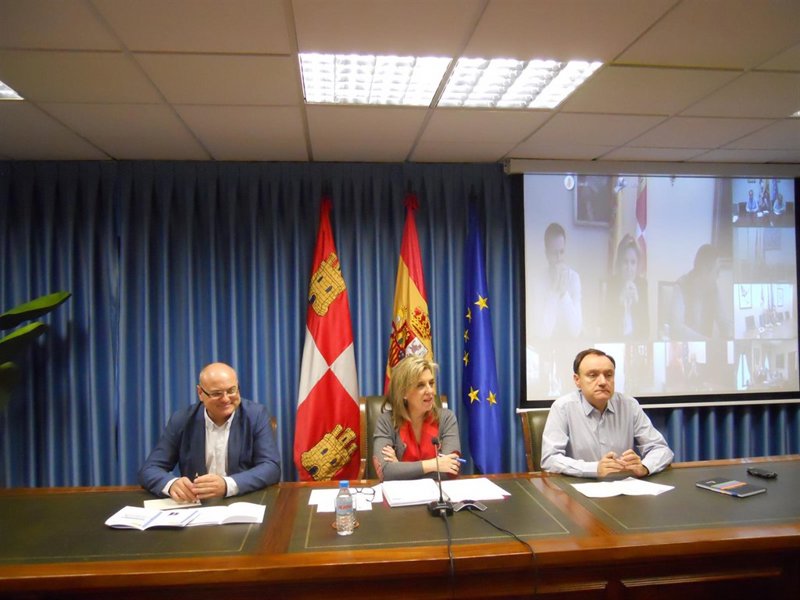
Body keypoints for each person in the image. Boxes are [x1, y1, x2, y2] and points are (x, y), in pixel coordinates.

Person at [138, 362, 280, 501]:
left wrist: (227, 485)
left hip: (242, 502)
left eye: (231, 390)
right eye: (217, 393)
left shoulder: (255, 415)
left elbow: (271, 467)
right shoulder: (182, 420)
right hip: (196, 504)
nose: (226, 399)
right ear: (200, 393)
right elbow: (150, 469)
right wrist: (171, 484)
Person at [540, 348, 673, 478]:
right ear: (577, 380)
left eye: (609, 375)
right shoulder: (563, 407)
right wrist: (594, 469)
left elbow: (661, 449)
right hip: (578, 485)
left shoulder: (629, 405)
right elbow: (550, 459)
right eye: (593, 375)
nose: (603, 382)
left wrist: (644, 467)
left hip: (622, 484)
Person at [372, 355, 462, 481]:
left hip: (437, 492)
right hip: (401, 494)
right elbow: (385, 472)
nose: (430, 391)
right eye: (420, 385)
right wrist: (435, 464)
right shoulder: (386, 422)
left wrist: (399, 468)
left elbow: (451, 471)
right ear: (403, 392)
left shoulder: (446, 418)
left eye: (431, 383)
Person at [669, 244, 731, 340]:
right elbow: (677, 328)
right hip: (685, 346)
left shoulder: (713, 288)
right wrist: (708, 341)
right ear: (704, 270)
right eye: (717, 271)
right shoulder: (681, 286)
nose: (718, 276)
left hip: (707, 346)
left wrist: (730, 336)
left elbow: (723, 321)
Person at [531, 222, 582, 339]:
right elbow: (542, 334)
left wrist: (564, 294)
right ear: (547, 254)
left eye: (562, 252)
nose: (559, 258)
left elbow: (576, 332)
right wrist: (554, 292)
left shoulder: (574, 278)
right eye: (554, 253)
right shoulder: (538, 282)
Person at [604, 235, 649, 339]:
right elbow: (606, 327)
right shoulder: (612, 284)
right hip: (615, 341)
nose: (629, 268)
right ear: (619, 263)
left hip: (636, 342)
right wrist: (619, 301)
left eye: (633, 263)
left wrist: (637, 302)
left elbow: (646, 330)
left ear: (637, 265)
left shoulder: (642, 285)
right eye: (625, 262)